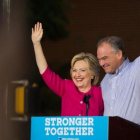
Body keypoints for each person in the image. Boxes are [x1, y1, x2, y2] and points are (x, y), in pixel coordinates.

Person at [31, 22, 104, 116]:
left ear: (93, 74)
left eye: (82, 70)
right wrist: (36, 44)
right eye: (74, 70)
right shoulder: (66, 87)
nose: (77, 74)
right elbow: (45, 73)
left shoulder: (100, 94)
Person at [97, 36, 140, 124]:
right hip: (109, 135)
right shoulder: (104, 82)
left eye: (105, 58)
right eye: (99, 60)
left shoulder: (136, 69)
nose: (101, 64)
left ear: (119, 54)